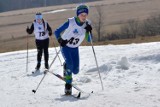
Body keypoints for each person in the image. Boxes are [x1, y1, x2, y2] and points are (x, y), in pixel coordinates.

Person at [54, 4, 92, 95]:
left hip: (75, 49)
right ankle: (68, 85)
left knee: (76, 70)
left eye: (85, 15)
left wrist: (89, 31)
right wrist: (60, 40)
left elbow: (89, 40)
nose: (84, 16)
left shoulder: (87, 24)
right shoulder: (71, 22)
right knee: (70, 64)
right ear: (78, 14)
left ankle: (66, 66)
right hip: (66, 47)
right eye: (82, 14)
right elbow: (57, 31)